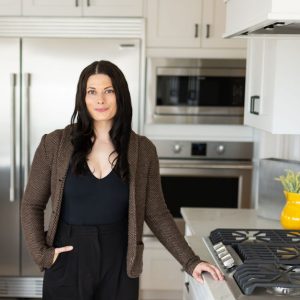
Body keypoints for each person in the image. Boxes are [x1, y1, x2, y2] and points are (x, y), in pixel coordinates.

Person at [21, 60, 224, 300]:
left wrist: (190, 261)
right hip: (67, 260)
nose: (100, 100)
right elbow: (31, 205)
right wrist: (43, 255)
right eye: (92, 92)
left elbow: (157, 213)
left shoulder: (142, 150)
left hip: (119, 264)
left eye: (109, 91)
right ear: (82, 97)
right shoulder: (54, 144)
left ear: (120, 95)